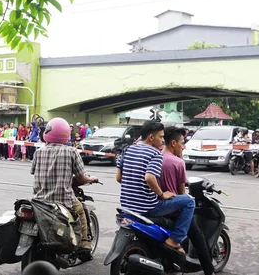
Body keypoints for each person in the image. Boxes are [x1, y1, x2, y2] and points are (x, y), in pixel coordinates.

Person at [116, 120, 195, 255]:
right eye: (161, 136)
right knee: (189, 202)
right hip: (148, 207)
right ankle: (175, 240)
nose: (163, 140)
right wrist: (162, 194)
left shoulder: (127, 149)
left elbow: (119, 178)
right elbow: (149, 178)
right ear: (151, 137)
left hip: (127, 206)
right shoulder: (155, 154)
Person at [30, 117, 98, 259]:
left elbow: (34, 172)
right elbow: (81, 178)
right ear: (66, 134)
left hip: (39, 201)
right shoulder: (72, 152)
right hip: (63, 200)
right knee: (80, 211)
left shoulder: (38, 152)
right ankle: (84, 245)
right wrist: (91, 179)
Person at [159, 126, 215, 275]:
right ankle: (210, 271)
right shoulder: (178, 163)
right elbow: (182, 192)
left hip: (157, 204)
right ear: (173, 143)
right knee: (199, 239)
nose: (183, 146)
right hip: (174, 208)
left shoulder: (156, 156)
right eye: (182, 143)